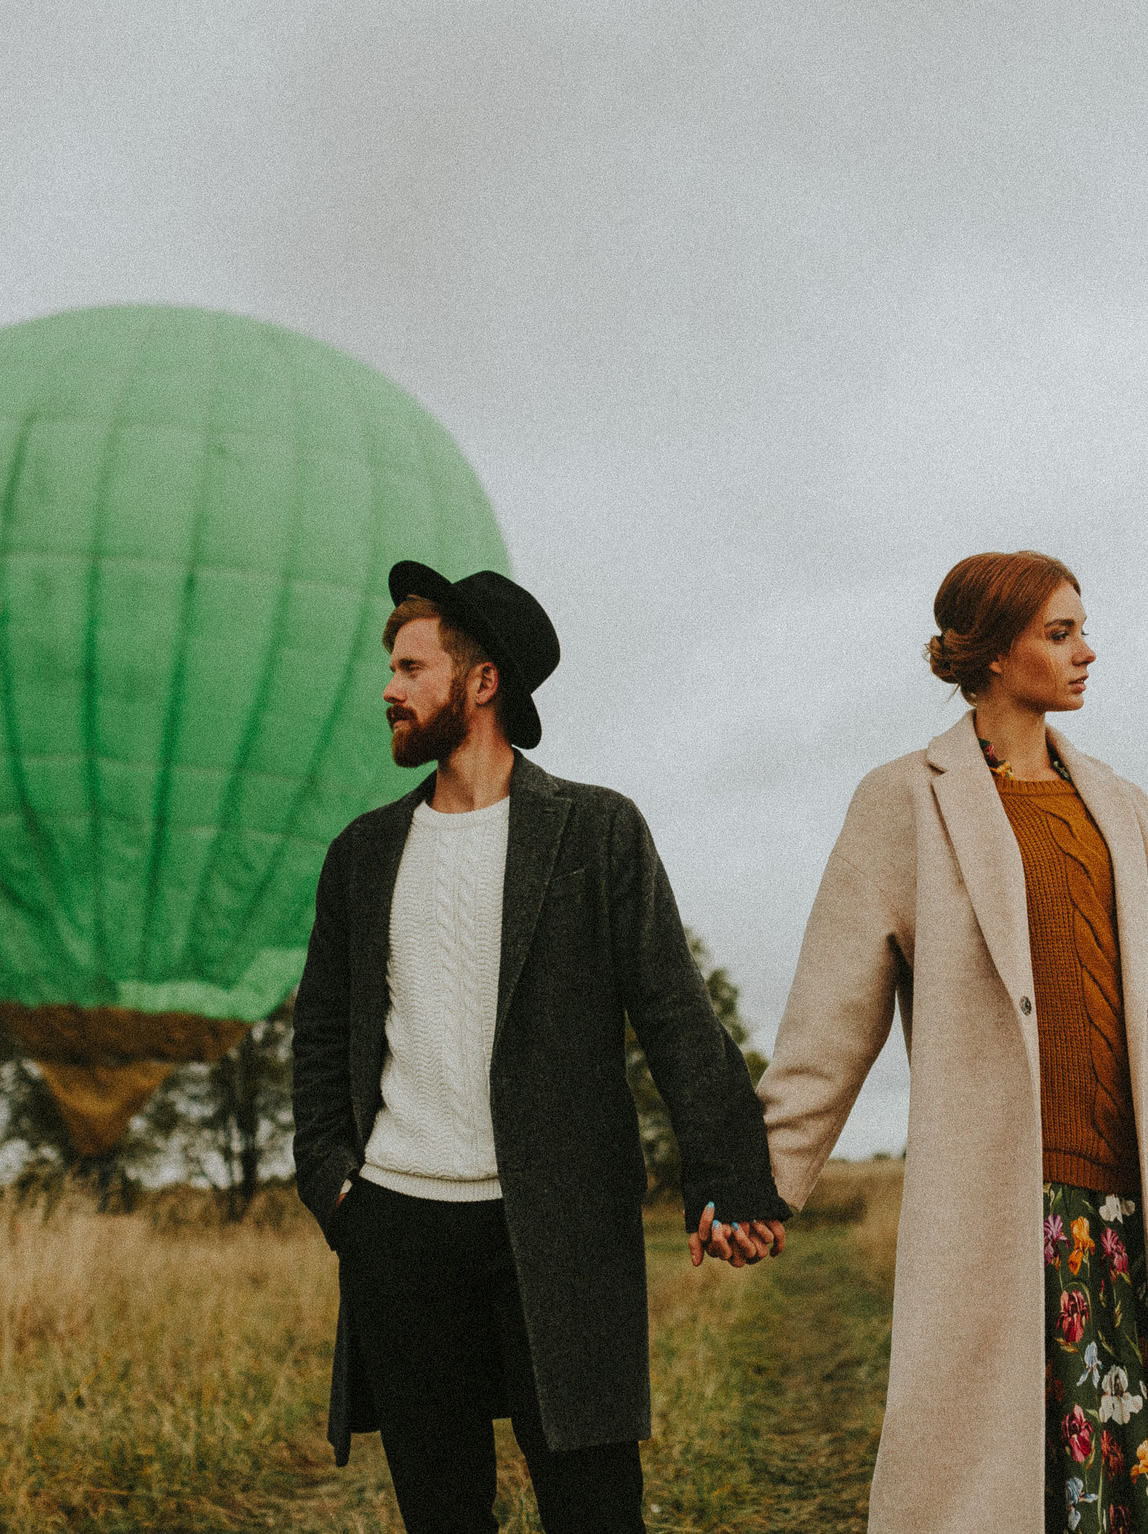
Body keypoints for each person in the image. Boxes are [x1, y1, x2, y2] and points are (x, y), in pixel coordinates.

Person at [755, 550, 1148, 1534]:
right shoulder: (904, 801)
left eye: (1081, 629)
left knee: (1143, 1498)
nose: (1087, 651)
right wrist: (760, 1183)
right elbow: (830, 1018)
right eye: (1060, 633)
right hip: (1009, 1217)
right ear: (992, 653)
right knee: (1014, 1497)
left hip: (1145, 1220)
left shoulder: (1122, 806)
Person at [292, 562, 789, 1534]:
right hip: (398, 1227)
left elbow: (673, 1012)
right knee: (440, 1511)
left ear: (480, 685)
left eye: (408, 667)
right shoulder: (362, 854)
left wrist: (729, 1177)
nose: (387, 689)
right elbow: (320, 1039)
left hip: (559, 1228)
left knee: (594, 1508)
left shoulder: (594, 831)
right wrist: (333, 1184)